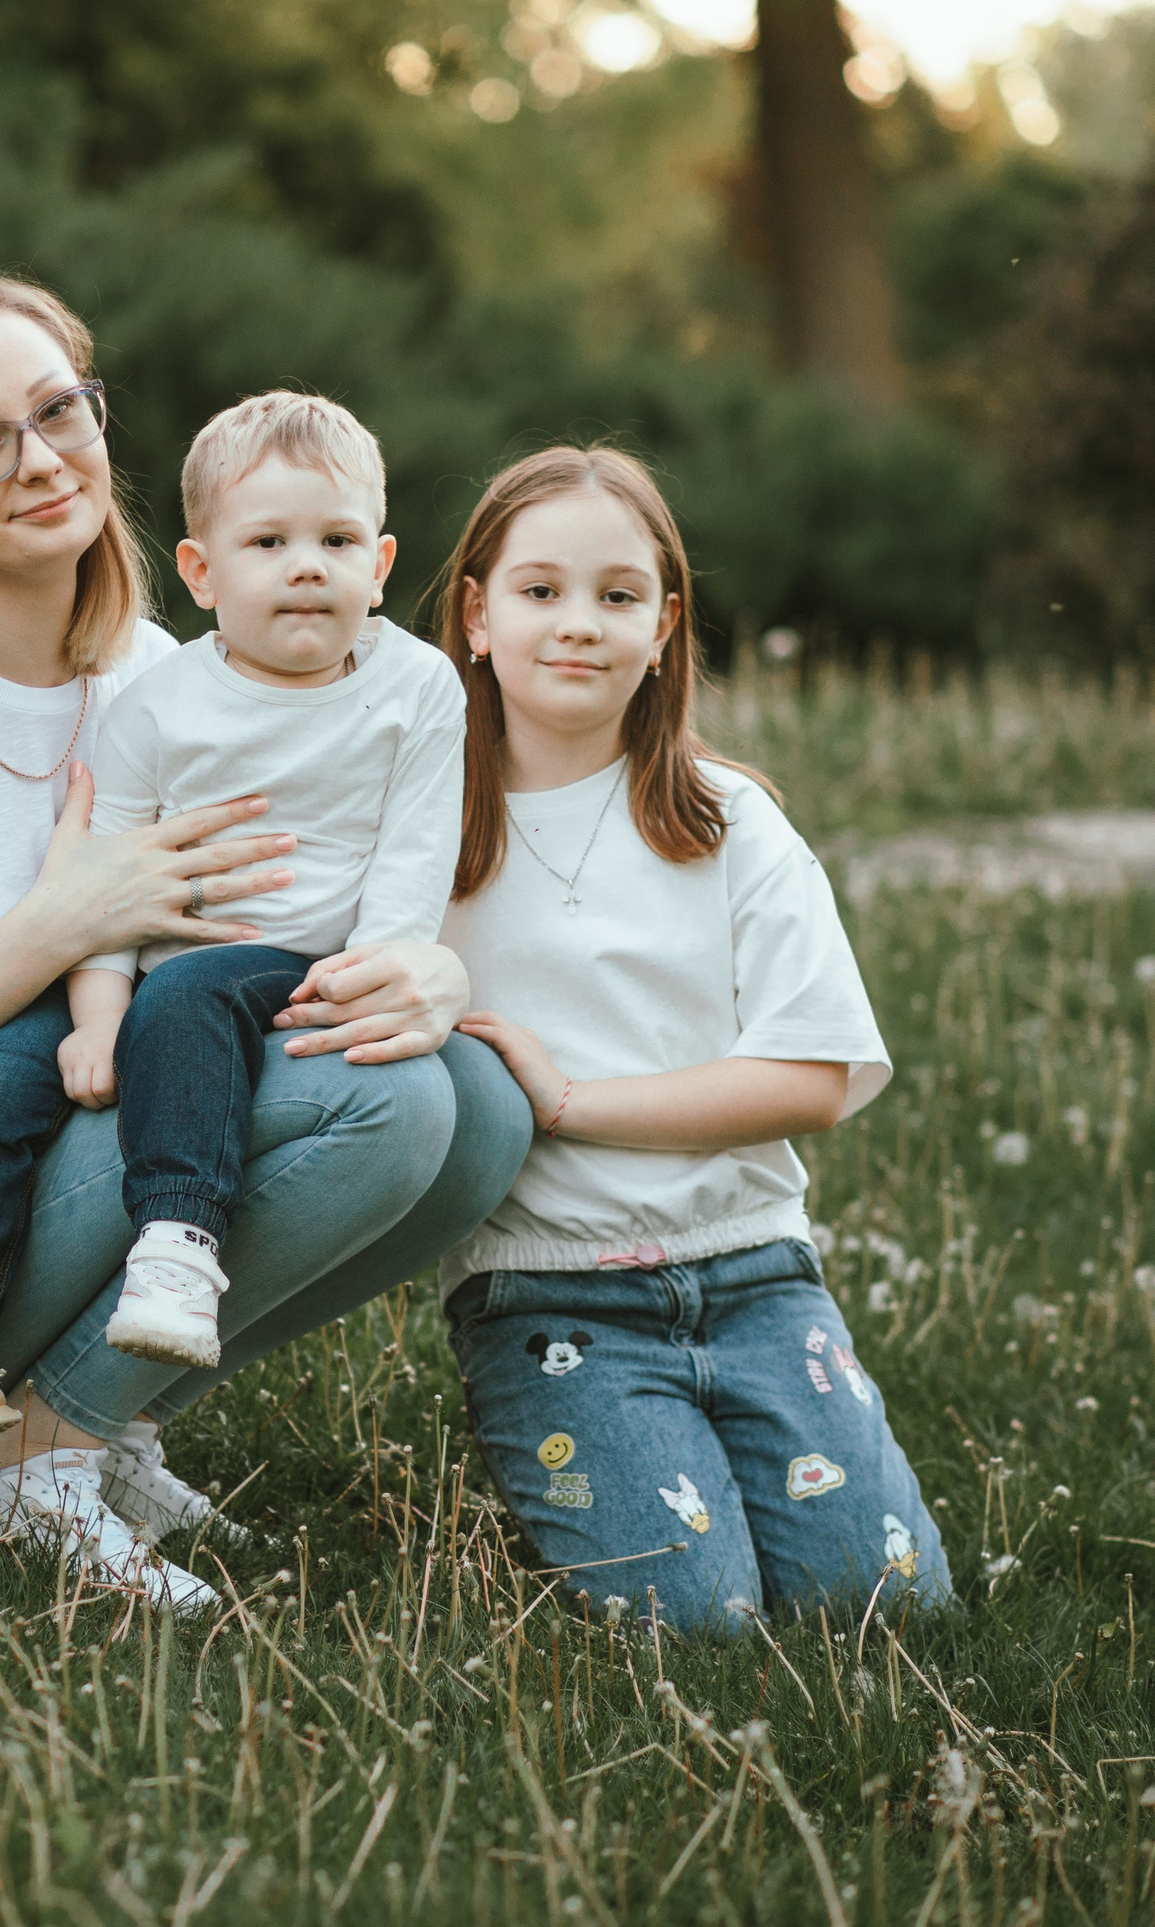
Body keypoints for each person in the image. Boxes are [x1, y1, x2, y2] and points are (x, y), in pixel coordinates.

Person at [0, 274, 532, 1611]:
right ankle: (21, 1459)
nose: (42, 459)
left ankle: (86, 1421)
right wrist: (55, 925)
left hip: (99, 1128)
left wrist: (429, 964)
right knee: (382, 1106)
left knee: (486, 1112)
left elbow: (297, 907)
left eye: (61, 409)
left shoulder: (169, 670)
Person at [0, 391, 465, 1464]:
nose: (309, 566)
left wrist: (390, 960)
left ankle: (178, 1247)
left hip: (293, 968)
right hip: (134, 971)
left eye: (338, 541)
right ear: (203, 574)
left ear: (381, 562)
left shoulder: (413, 684)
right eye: (270, 543)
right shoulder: (159, 702)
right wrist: (96, 1016)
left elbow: (416, 845)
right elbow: (108, 878)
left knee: (200, 994)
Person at [435, 447, 951, 1635]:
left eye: (619, 597)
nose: (579, 625)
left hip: (756, 1276)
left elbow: (814, 1077)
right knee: (695, 1620)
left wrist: (569, 1103)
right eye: (539, 591)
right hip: (548, 1296)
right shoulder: (424, 836)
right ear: (475, 613)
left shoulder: (726, 821)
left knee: (888, 1609)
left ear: (664, 627)